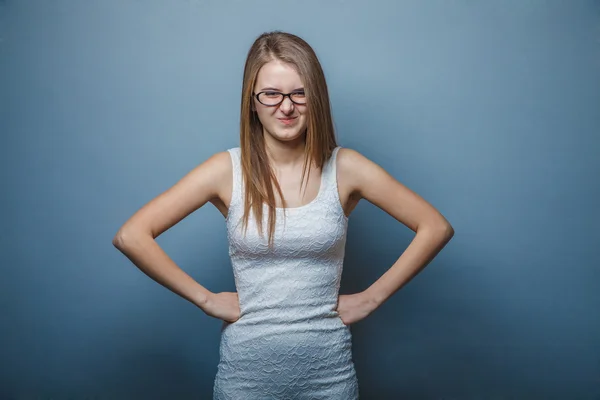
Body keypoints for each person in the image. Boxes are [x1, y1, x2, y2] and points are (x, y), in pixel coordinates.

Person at [112, 31, 454, 399]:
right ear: (252, 102)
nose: (286, 107)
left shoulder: (346, 168)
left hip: (330, 381)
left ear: (316, 99)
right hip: (244, 382)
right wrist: (206, 299)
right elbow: (132, 235)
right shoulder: (226, 170)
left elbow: (435, 227)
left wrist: (371, 298)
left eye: (299, 93)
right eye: (271, 94)